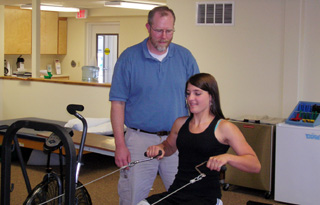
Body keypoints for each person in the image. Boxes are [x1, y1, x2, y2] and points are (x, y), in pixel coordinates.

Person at [109, 6, 200, 205]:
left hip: (177, 140)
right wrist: (120, 145)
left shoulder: (185, 58)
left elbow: (197, 102)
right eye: (159, 30)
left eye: (169, 31)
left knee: (184, 197)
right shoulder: (129, 58)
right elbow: (117, 104)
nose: (164, 36)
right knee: (132, 197)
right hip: (139, 139)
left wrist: (196, 138)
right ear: (148, 27)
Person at [139, 73, 261, 205]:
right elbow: (169, 146)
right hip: (177, 193)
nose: (190, 98)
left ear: (211, 97)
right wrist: (160, 148)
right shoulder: (180, 123)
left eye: (197, 93)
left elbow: (255, 165)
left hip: (206, 198)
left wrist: (227, 157)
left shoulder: (224, 127)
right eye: (188, 93)